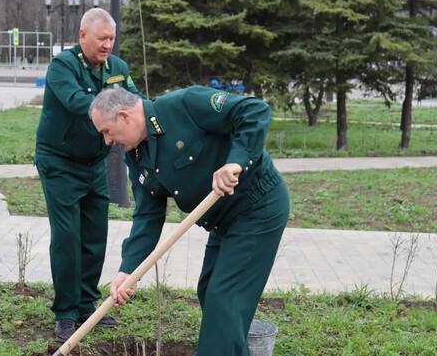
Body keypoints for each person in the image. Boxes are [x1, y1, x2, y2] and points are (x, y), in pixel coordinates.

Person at [89, 86, 290, 356]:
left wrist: (236, 162)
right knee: (209, 292)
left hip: (257, 207)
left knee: (225, 298)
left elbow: (254, 111)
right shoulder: (137, 156)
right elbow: (147, 216)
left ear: (124, 116)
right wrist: (129, 270)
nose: (107, 141)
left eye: (106, 131)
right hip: (223, 220)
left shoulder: (184, 105)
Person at [35, 7, 140, 342]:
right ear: (83, 36)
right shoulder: (63, 66)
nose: (108, 44)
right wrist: (113, 109)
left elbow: (135, 102)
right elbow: (79, 102)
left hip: (95, 163)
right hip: (60, 162)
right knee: (67, 238)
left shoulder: (117, 68)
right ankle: (66, 313)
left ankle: (86, 305)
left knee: (95, 235)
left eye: (112, 38)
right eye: (102, 38)